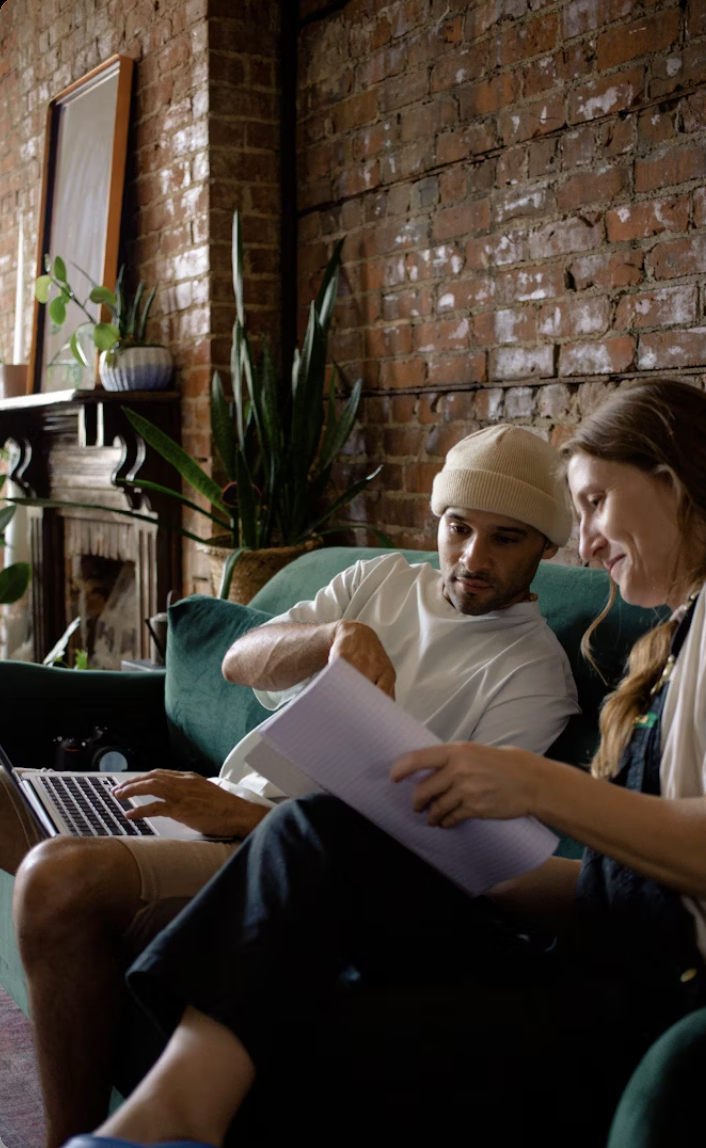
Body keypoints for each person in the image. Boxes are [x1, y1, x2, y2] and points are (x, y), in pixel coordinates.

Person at [68, 379, 706, 1148]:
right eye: (580, 513)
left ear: (674, 482)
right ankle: (163, 1123)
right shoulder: (675, 637)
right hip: (582, 948)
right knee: (320, 833)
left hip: (626, 1000)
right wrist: (473, 863)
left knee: (304, 860)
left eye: (597, 503)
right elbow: (622, 889)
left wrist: (544, 788)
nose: (590, 539)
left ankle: (157, 1126)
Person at [3, 424, 579, 1148]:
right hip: (214, 808)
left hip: (281, 852)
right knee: (10, 809)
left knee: (57, 878)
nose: (471, 558)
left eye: (506, 539)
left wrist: (243, 816)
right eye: (459, 528)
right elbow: (239, 662)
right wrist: (334, 636)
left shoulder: (533, 674)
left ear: (547, 548)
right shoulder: (380, 579)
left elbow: (453, 852)